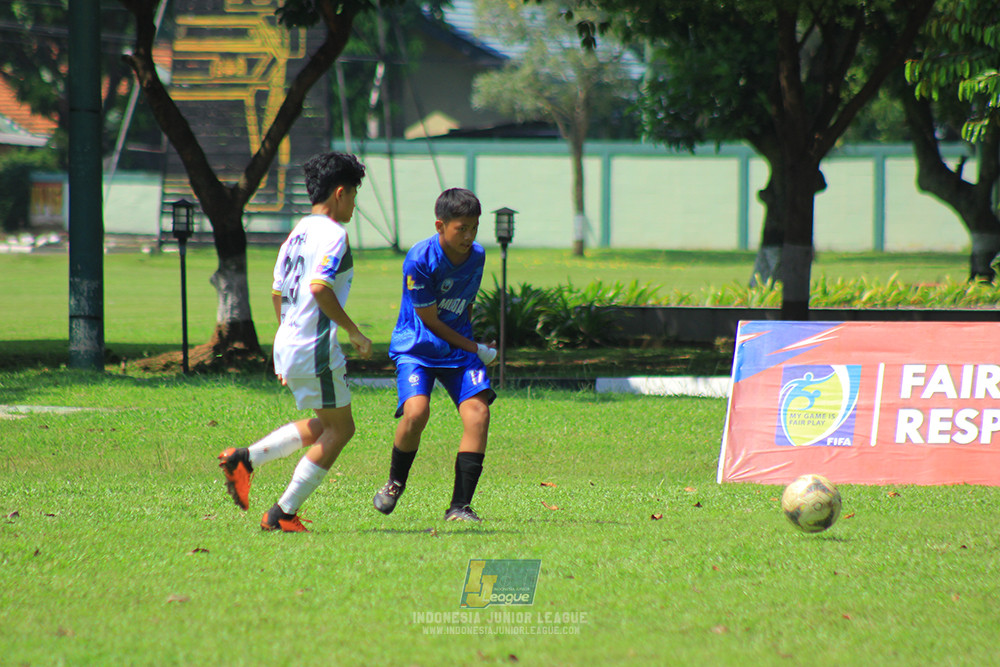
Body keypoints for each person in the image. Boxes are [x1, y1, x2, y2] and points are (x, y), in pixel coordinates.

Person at [217, 151, 372, 532]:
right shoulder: (334, 234)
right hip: (312, 345)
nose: (354, 203)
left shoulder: (296, 233)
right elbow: (319, 287)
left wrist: (286, 345)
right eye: (353, 194)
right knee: (341, 429)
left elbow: (278, 293)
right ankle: (282, 513)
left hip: (290, 342)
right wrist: (353, 331)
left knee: (326, 424)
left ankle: (245, 458)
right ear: (340, 193)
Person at [372, 187, 497, 522]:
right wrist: (476, 349)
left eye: (474, 227)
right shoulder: (419, 259)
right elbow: (430, 320)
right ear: (440, 226)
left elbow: (465, 304)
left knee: (478, 415)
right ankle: (395, 484)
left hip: (458, 349)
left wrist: (471, 345)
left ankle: (460, 506)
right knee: (416, 412)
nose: (469, 236)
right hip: (418, 346)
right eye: (461, 228)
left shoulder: (478, 256)